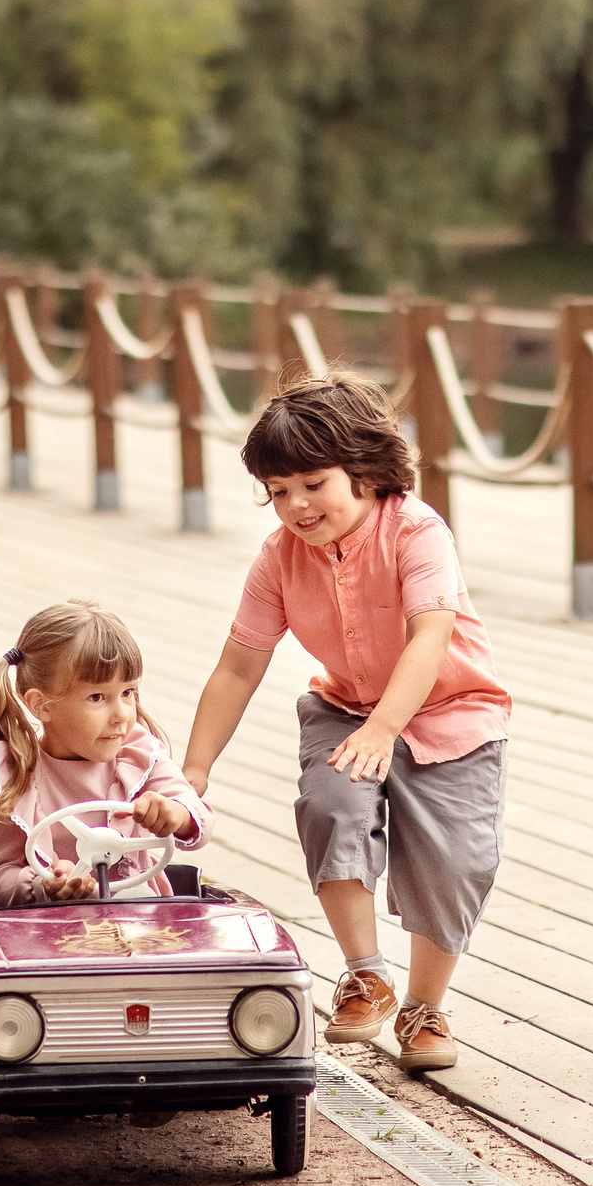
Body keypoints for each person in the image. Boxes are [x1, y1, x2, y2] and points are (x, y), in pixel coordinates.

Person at [181, 372, 510, 1073]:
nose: (296, 505)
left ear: (363, 470)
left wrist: (387, 728)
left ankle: (425, 1005)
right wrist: (195, 767)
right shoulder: (278, 557)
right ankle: (366, 973)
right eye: (277, 491)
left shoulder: (417, 529)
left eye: (313, 483)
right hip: (344, 706)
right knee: (330, 805)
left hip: (453, 712)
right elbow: (239, 665)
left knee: (455, 861)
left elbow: (429, 637)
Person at [0, 600, 209, 908]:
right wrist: (44, 884)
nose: (121, 715)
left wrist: (175, 814)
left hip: (139, 917)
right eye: (97, 697)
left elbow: (198, 818)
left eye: (128, 693)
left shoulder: (138, 754)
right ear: (41, 705)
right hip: (43, 931)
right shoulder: (11, 773)